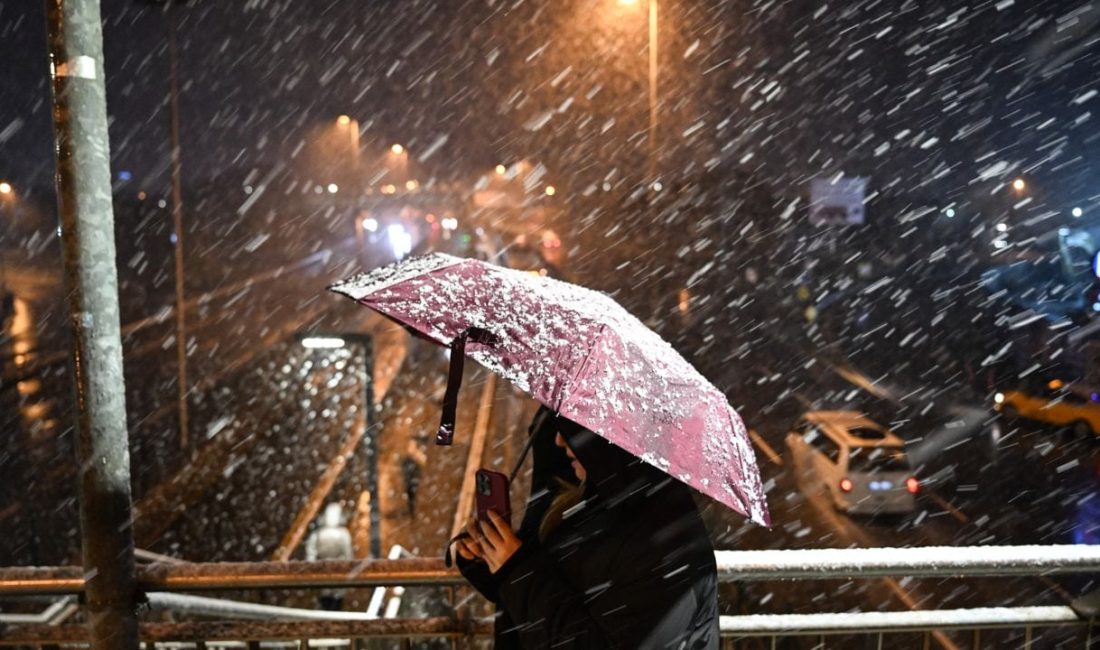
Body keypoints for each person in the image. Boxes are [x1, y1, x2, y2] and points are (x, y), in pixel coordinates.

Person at [454, 410, 720, 649]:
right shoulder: (591, 502)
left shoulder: (660, 540)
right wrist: (493, 560)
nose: (558, 441)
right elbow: (555, 591)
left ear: (608, 438)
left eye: (571, 429)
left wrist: (516, 569)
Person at [305, 502, 354, 610]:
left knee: (332, 602)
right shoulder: (321, 534)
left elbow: (348, 556)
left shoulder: (341, 534)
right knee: (330, 602)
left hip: (333, 574)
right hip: (328, 574)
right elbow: (311, 555)